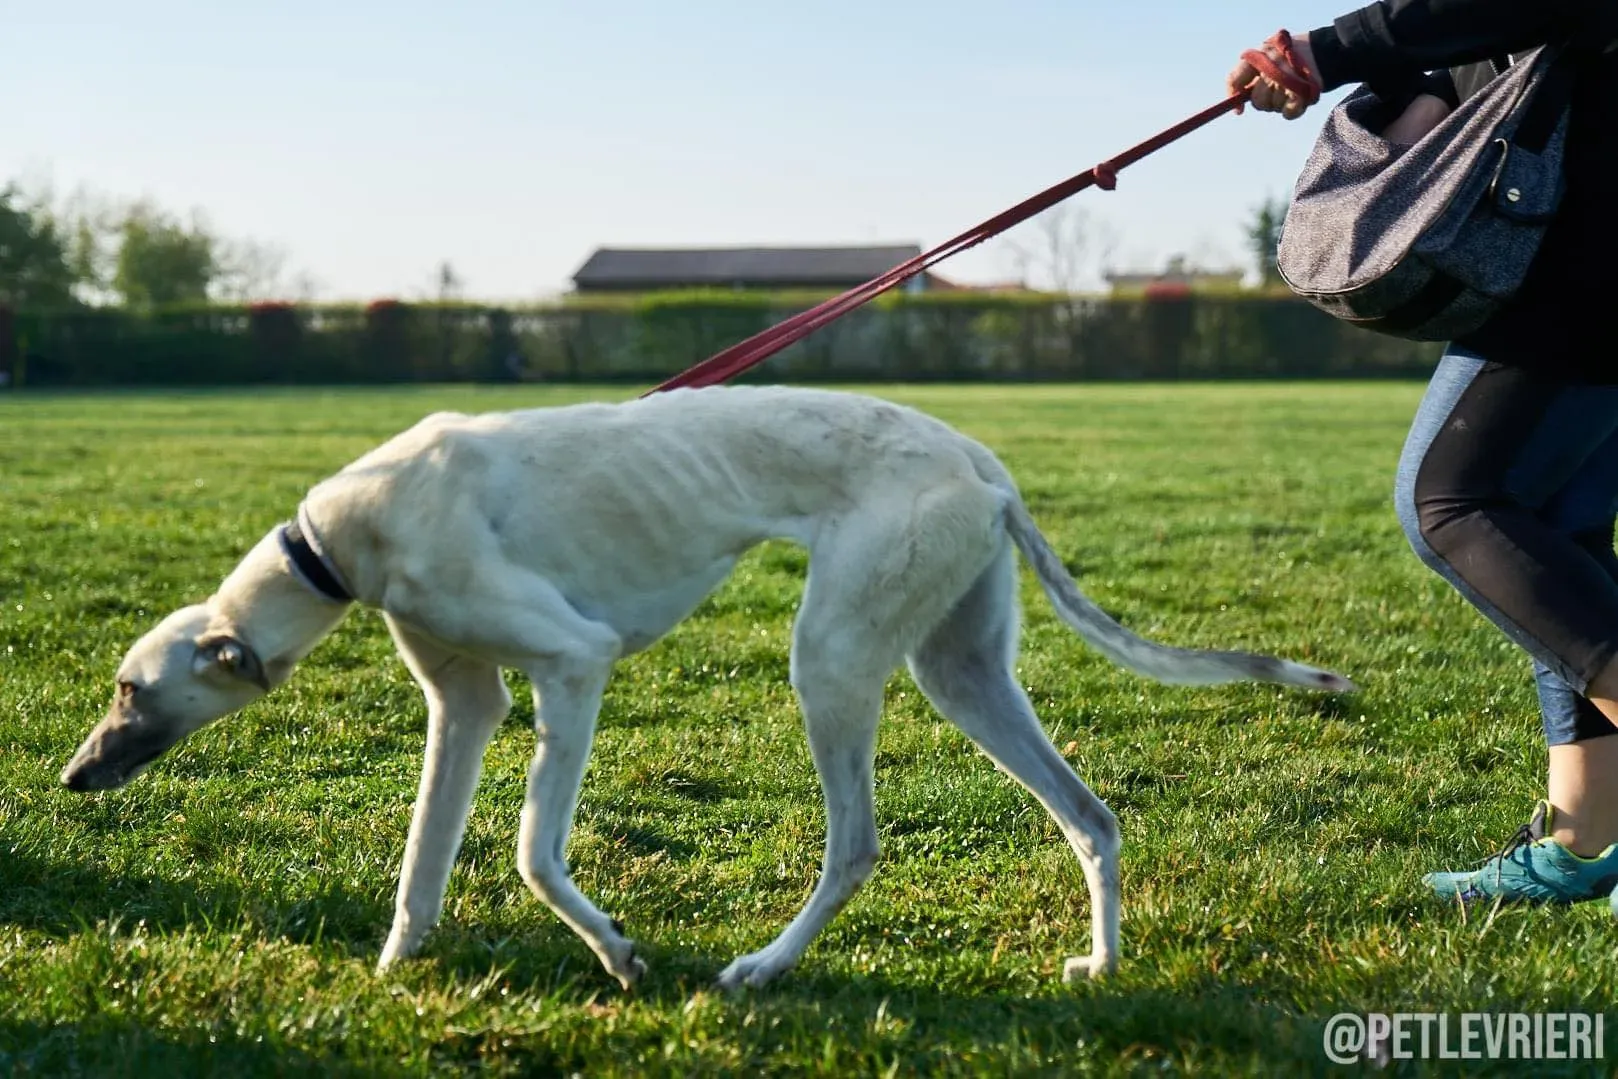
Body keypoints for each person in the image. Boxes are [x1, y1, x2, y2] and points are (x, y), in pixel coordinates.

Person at [1228, 1, 1618, 904]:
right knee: (1556, 526)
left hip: (1586, 240)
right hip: (1580, 223)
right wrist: (1423, 82)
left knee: (1452, 499)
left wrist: (1327, 52)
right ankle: (1585, 838)